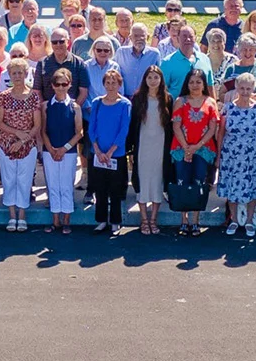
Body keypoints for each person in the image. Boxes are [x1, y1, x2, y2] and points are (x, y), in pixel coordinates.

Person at [217, 73, 256, 237]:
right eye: (242, 88)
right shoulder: (228, 108)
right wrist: (219, 155)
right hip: (231, 153)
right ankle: (234, 219)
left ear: (253, 89)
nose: (245, 91)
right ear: (237, 88)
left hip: (252, 153)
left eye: (248, 88)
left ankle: (248, 221)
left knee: (252, 186)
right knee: (232, 186)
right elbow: (221, 133)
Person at [0, 58, 42, 232]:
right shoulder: (4, 96)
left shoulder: (34, 96)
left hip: (27, 146)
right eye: (14, 73)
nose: (18, 76)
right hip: (6, 145)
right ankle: (12, 216)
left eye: (21, 72)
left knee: (24, 180)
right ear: (10, 76)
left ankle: (22, 215)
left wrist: (22, 140)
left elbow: (37, 125)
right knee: (9, 180)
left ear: (26, 74)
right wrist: (16, 133)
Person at [169, 68, 221, 235]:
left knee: (199, 183)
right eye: (191, 82)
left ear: (204, 83)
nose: (195, 85)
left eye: (198, 82)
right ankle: (183, 220)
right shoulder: (180, 101)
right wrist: (186, 147)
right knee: (183, 182)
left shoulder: (210, 102)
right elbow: (176, 126)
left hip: (203, 149)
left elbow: (213, 128)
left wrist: (197, 146)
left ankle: (196, 221)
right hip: (180, 149)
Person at [85, 68, 132, 236]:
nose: (111, 86)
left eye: (114, 83)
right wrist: (97, 150)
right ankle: (102, 220)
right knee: (100, 188)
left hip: (115, 155)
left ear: (120, 85)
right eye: (108, 82)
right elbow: (92, 128)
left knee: (115, 189)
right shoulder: (97, 102)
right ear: (103, 84)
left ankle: (116, 222)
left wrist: (111, 151)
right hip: (98, 154)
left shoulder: (125, 104)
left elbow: (123, 130)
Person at [40, 68, 84, 234]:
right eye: (57, 84)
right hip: (49, 150)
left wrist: (64, 149)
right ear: (52, 85)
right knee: (52, 184)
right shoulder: (45, 106)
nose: (60, 87)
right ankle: (55, 220)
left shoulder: (75, 107)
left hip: (69, 152)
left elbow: (79, 132)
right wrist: (51, 149)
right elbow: (43, 130)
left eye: (64, 84)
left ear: (69, 85)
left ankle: (66, 220)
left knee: (66, 185)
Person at [129, 65, 172, 235]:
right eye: (149, 77)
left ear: (161, 80)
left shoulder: (167, 99)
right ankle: (143, 220)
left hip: (160, 147)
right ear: (145, 79)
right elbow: (133, 126)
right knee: (143, 183)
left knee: (157, 182)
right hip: (143, 146)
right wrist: (131, 151)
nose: (153, 81)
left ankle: (153, 219)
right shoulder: (138, 98)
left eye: (156, 77)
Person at [161, 25, 212, 98]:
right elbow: (162, 90)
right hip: (176, 107)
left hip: (201, 107)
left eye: (191, 36)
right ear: (178, 38)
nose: (188, 39)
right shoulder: (167, 62)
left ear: (195, 38)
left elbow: (210, 86)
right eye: (184, 36)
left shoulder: (205, 59)